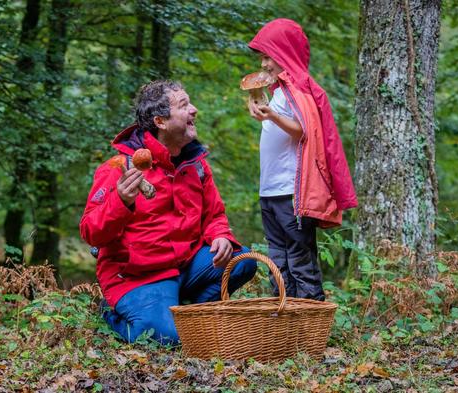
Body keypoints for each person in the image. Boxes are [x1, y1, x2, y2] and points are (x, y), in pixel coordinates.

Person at [80, 80, 257, 344]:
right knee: (166, 339)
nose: (194, 110)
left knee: (242, 261)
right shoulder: (120, 167)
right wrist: (121, 201)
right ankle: (113, 314)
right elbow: (91, 232)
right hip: (138, 276)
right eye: (184, 105)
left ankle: (189, 312)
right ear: (161, 121)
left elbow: (214, 215)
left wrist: (220, 235)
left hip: (185, 265)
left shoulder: (195, 165)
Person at [247, 19, 358, 300]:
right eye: (261, 58)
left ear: (284, 53)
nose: (263, 64)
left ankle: (310, 321)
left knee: (299, 258)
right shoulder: (279, 94)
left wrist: (271, 114)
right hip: (270, 191)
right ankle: (285, 321)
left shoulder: (298, 91)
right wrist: (263, 108)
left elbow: (304, 130)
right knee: (278, 260)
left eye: (267, 56)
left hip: (291, 192)